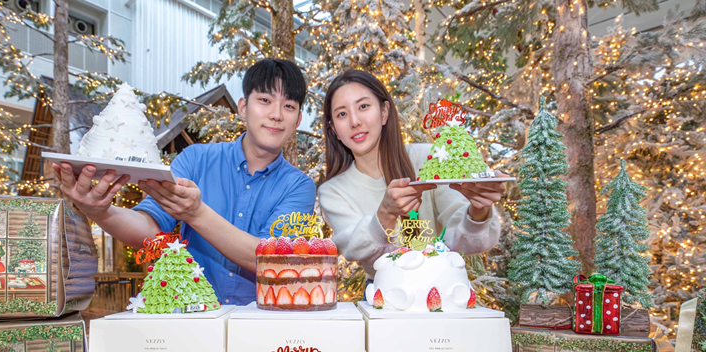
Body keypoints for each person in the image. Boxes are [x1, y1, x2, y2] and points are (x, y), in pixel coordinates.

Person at [54, 59, 315, 305]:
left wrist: (196, 214)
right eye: (265, 100)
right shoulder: (196, 159)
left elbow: (273, 261)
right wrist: (101, 211)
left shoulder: (299, 186)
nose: (276, 114)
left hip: (259, 324)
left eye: (289, 106)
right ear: (243, 107)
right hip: (191, 319)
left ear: (298, 120)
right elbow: (150, 229)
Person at [318, 70, 504, 279]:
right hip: (383, 294)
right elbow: (358, 251)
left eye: (363, 106)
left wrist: (478, 211)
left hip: (444, 289)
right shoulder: (333, 192)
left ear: (384, 112)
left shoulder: (430, 159)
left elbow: (468, 243)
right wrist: (385, 214)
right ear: (334, 129)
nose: (354, 121)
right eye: (342, 114)